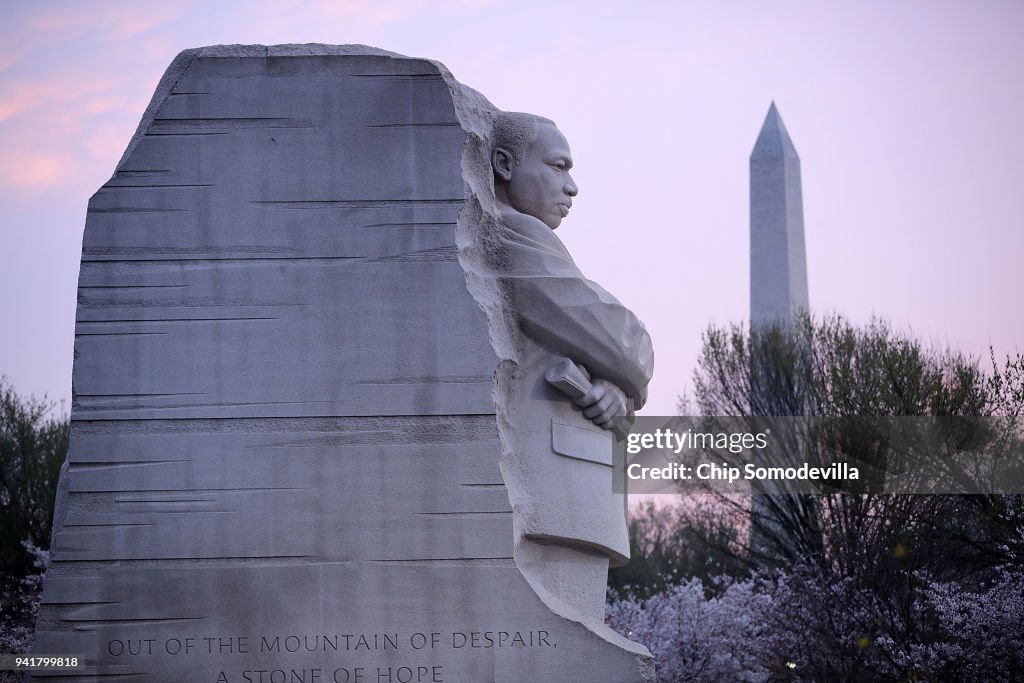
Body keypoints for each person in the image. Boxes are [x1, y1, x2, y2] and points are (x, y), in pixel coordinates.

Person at [485, 111, 654, 625]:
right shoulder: (512, 233)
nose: (572, 186)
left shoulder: (527, 237)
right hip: (554, 489)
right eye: (558, 167)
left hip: (570, 486)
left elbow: (595, 352)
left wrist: (616, 392)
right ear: (504, 164)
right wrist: (630, 367)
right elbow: (622, 340)